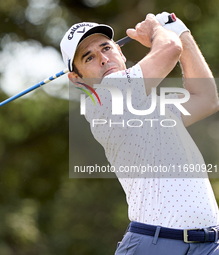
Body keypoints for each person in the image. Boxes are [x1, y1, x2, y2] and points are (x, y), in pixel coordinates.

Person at [60, 12, 219, 254]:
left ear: (120, 52)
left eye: (106, 48)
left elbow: (206, 99)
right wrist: (157, 30)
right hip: (155, 244)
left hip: (209, 244)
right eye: (89, 57)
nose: (103, 59)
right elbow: (169, 49)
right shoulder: (104, 101)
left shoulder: (152, 104)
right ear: (76, 78)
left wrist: (181, 31)